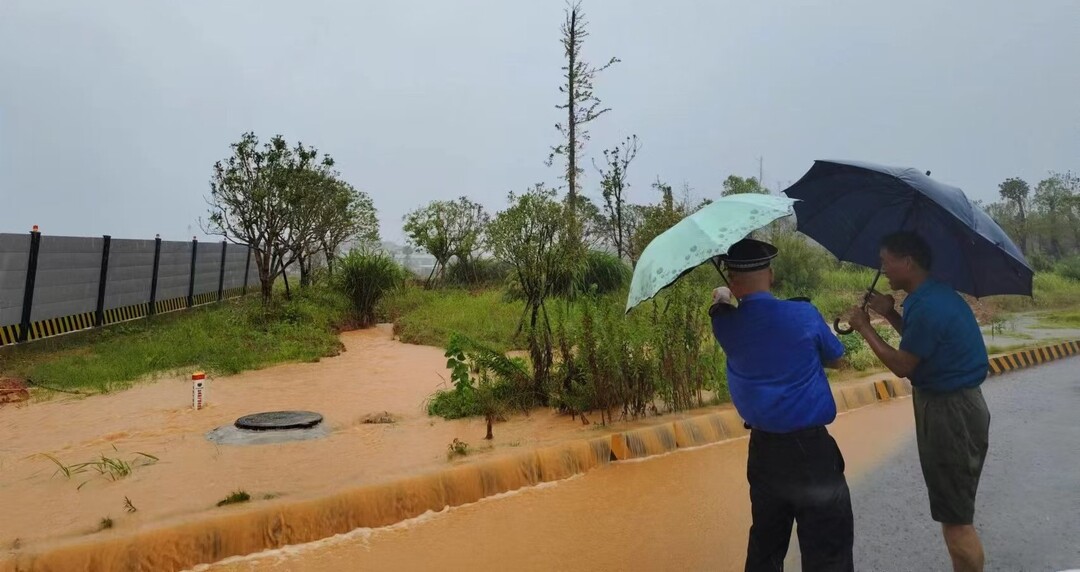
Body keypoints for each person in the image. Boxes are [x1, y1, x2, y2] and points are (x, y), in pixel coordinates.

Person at [846, 231, 990, 572]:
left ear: (907, 262)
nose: (883, 269)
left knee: (956, 520)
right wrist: (890, 314)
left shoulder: (927, 306)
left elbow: (902, 365)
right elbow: (921, 345)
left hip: (949, 413)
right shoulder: (930, 297)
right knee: (953, 510)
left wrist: (866, 327)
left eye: (886, 262)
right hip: (953, 406)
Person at [709, 238, 853, 572]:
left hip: (764, 454)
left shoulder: (724, 324)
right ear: (771, 274)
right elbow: (837, 358)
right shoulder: (803, 314)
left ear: (732, 280)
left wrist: (723, 294)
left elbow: (722, 303)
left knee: (766, 548)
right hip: (812, 452)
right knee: (827, 550)